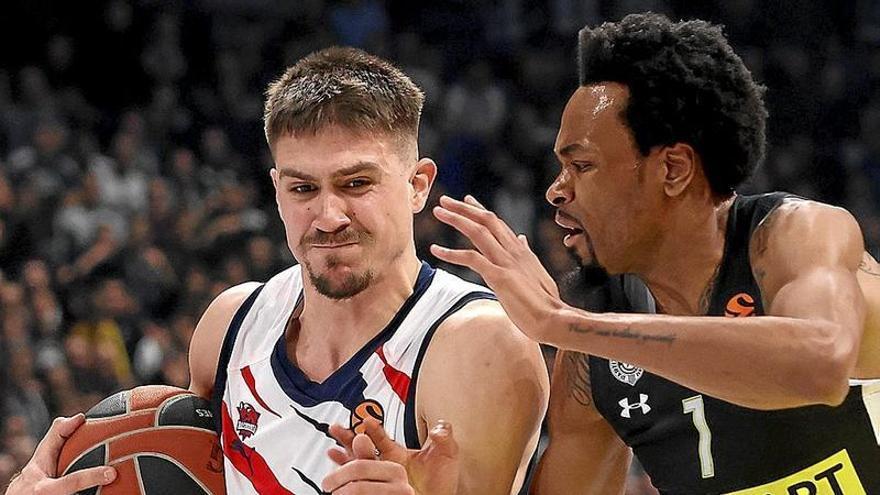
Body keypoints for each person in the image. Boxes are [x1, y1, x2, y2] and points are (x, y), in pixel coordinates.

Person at [7, 47, 549, 495]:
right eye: (303, 188)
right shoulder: (231, 323)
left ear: (418, 185)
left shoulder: (477, 348)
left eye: (356, 183)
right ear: (277, 190)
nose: (329, 216)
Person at [429, 13, 880, 494]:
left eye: (581, 165)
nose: (556, 192)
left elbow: (822, 363)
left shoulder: (791, 236)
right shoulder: (594, 353)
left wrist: (562, 325)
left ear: (674, 169)